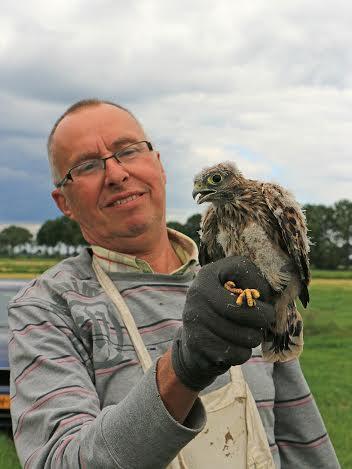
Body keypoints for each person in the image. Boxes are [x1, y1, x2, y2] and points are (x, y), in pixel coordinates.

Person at [8, 99, 339, 469]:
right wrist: (181, 370)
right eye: (87, 165)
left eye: (128, 151)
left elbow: (303, 443)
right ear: (63, 201)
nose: (116, 174)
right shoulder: (44, 309)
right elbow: (59, 461)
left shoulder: (240, 280)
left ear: (159, 166)